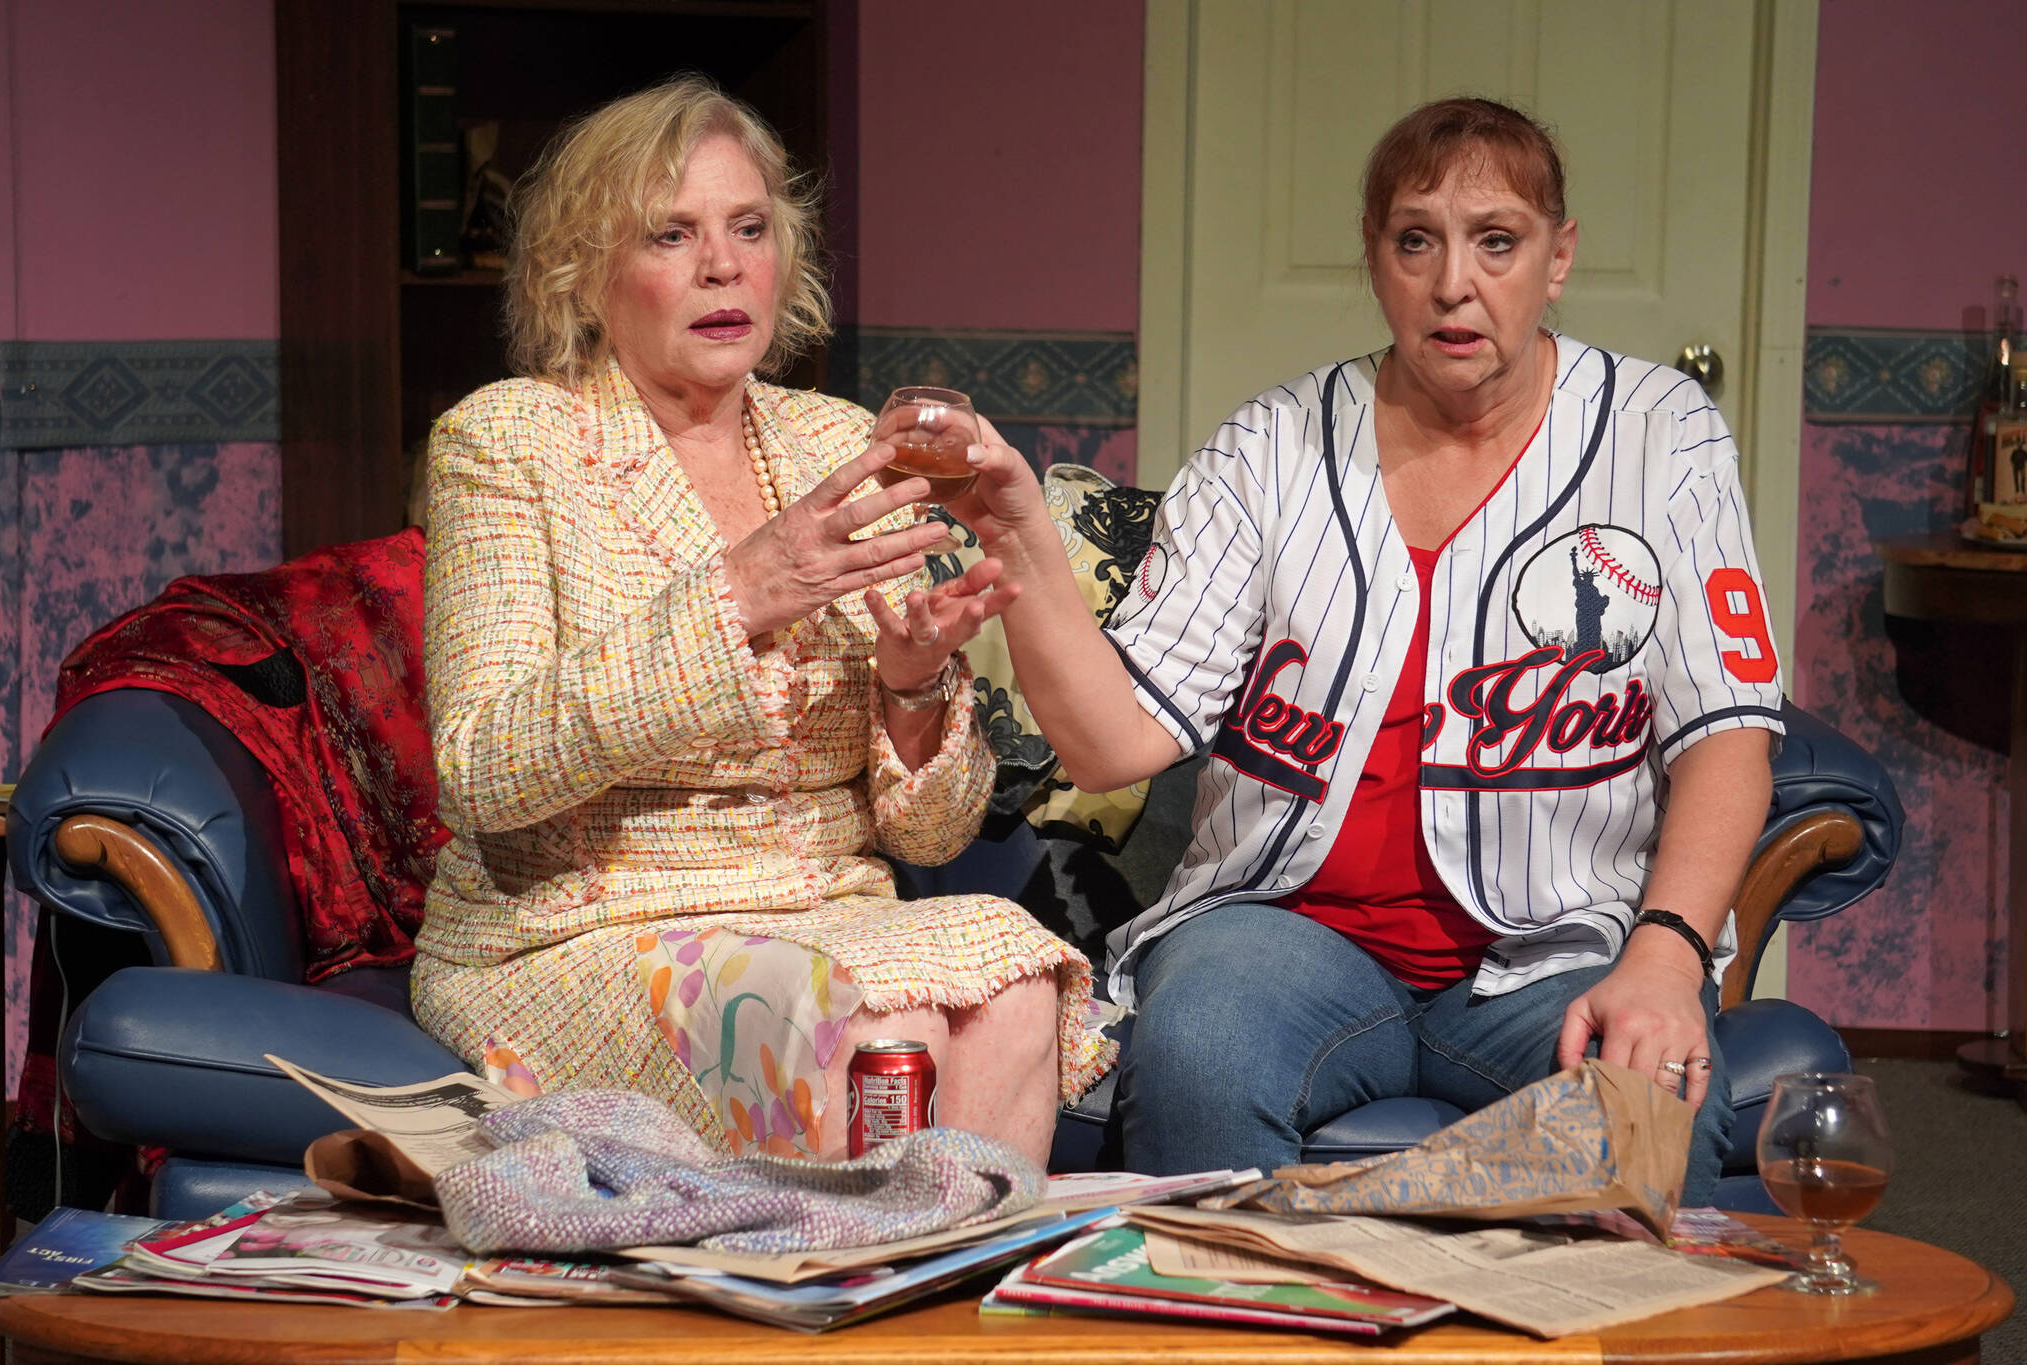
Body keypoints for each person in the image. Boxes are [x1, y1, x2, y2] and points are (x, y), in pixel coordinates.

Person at [949, 98, 1782, 1203]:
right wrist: (1017, 537)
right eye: (1414, 240)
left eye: (1496, 240)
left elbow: (1723, 733)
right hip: (1285, 937)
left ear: (1557, 256)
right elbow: (1111, 744)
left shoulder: (1658, 431)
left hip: (1557, 946)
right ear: (1375, 258)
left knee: (1647, 1098)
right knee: (1196, 1047)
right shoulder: (1267, 448)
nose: (1453, 284)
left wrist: (1666, 958)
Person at [409, 77, 1113, 1167]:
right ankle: (836, 1309)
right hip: (575, 935)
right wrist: (737, 596)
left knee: (1015, 979)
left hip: (826, 912)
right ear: (585, 272)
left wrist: (915, 684)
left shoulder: (833, 441)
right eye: (671, 234)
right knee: (870, 1019)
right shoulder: (506, 443)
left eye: (748, 229)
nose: (722, 266)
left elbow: (927, 837)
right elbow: (483, 770)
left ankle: (947, 1317)